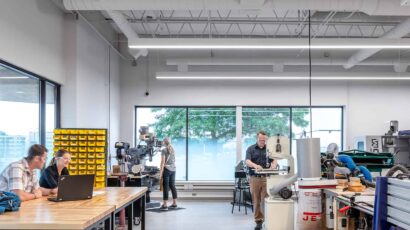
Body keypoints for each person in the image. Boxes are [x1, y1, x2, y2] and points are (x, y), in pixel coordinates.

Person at [246, 131, 277, 230]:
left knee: (266, 200)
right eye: (261, 140)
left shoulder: (269, 149)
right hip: (254, 178)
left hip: (266, 178)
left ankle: (267, 219)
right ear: (257, 139)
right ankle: (258, 221)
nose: (262, 142)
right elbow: (247, 161)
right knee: (256, 200)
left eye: (264, 140)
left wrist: (274, 165)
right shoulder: (250, 149)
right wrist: (255, 166)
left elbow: (275, 159)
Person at [159, 137, 178, 211]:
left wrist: (160, 173)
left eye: (163, 141)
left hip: (167, 170)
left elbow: (162, 162)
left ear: (164, 142)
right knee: (172, 186)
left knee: (166, 187)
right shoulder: (173, 149)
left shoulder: (164, 150)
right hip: (173, 169)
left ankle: (165, 205)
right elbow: (174, 160)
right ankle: (174, 203)